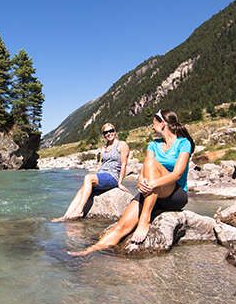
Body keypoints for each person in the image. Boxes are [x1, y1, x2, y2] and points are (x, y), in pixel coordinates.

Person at [68, 109, 194, 256]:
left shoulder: (183, 143)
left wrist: (152, 184)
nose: (152, 127)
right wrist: (141, 183)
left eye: (154, 123)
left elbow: (177, 173)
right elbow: (144, 169)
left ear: (163, 124)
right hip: (151, 192)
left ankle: (144, 220)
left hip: (174, 193)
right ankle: (88, 251)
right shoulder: (153, 145)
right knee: (121, 226)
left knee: (153, 164)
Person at [52, 123, 130, 221]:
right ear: (104, 135)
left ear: (115, 131)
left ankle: (79, 210)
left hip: (112, 176)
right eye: (106, 132)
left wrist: (120, 182)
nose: (109, 133)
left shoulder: (122, 145)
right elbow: (101, 164)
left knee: (88, 177)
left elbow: (124, 164)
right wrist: (97, 175)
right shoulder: (104, 148)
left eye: (111, 131)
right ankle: (65, 216)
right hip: (102, 175)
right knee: (81, 190)